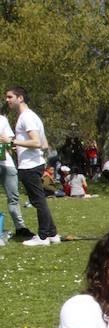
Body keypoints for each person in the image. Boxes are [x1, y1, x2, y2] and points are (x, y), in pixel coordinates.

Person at [2, 86, 58, 246]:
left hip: (30, 166)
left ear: (20, 98)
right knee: (39, 200)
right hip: (35, 163)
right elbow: (45, 144)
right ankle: (52, 234)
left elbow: (36, 142)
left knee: (38, 201)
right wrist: (19, 145)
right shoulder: (32, 116)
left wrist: (12, 141)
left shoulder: (26, 117)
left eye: (10, 97)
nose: (7, 100)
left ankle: (42, 237)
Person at [0, 110, 31, 238]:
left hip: (6, 163)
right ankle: (20, 228)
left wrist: (8, 144)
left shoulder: (2, 119)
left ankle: (20, 228)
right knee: (13, 198)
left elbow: (9, 141)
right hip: (7, 164)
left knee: (13, 198)